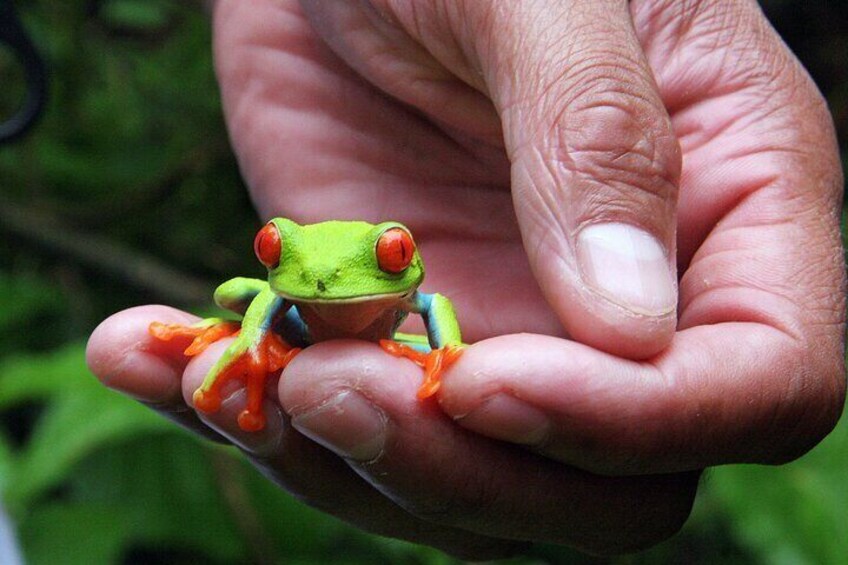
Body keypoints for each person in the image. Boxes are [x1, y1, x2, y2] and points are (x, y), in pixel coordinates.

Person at [86, 0, 845, 558]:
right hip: (284, 328)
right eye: (270, 246)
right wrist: (255, 332)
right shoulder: (293, 280)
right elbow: (289, 290)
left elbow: (427, 303)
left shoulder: (413, 291)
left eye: (387, 255)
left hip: (365, 334)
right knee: (243, 302)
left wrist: (441, 350)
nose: (322, 273)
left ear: (400, 258)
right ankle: (243, 335)